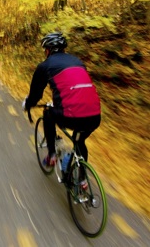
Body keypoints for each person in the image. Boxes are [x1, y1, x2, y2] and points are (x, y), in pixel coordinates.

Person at [22, 32, 101, 169]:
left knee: (48, 114)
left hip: (71, 116)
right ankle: (82, 180)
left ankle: (52, 155)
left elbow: (36, 94)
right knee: (79, 142)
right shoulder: (78, 61)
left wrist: (28, 104)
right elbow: (76, 88)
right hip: (95, 116)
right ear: (64, 48)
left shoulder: (45, 66)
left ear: (47, 50)